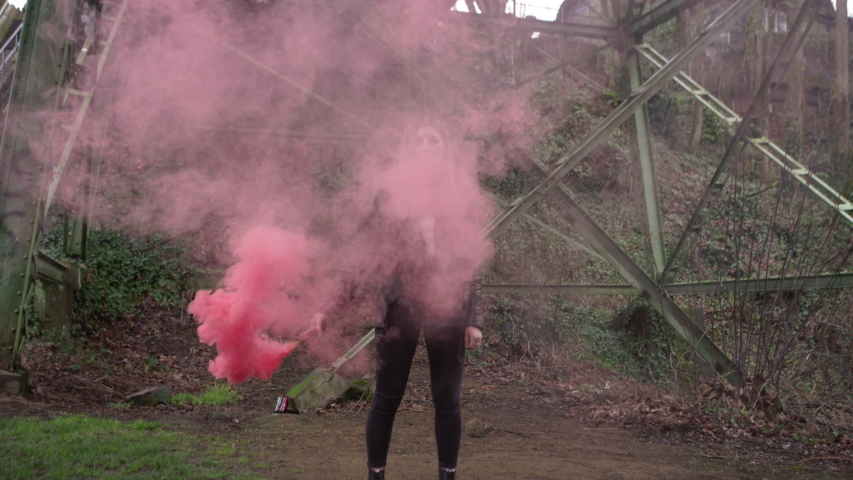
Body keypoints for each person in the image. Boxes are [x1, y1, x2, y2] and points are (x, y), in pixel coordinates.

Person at [354, 121, 490, 480]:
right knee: (387, 397)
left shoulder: (459, 194)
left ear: (445, 147)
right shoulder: (389, 192)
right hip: (399, 306)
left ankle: (447, 475)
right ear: (409, 147)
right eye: (419, 140)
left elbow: (470, 259)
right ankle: (376, 475)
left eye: (434, 139)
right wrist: (328, 302)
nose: (427, 146)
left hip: (448, 308)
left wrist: (474, 317)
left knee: (447, 400)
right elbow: (361, 250)